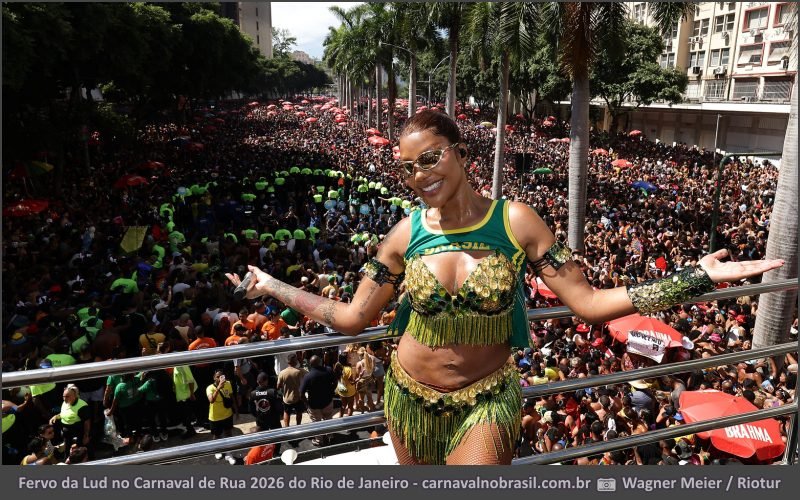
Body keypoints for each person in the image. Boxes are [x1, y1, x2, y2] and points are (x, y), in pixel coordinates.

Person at [228, 110, 782, 465]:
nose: (420, 176)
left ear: (460, 153)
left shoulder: (516, 221)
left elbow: (589, 305)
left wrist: (694, 278)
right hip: (407, 399)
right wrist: (272, 284)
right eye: (407, 169)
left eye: (431, 159)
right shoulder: (402, 235)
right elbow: (352, 319)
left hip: (487, 400)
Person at [299, 355, 336, 446]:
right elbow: (335, 382)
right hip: (327, 402)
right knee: (329, 420)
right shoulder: (328, 370)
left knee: (317, 424)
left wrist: (307, 404)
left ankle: (319, 441)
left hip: (314, 405)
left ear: (310, 364)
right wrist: (331, 392)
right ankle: (330, 436)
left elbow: (301, 394)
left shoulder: (308, 376)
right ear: (320, 362)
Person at [207, 369, 237, 464]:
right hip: (215, 416)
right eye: (217, 377)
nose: (219, 379)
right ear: (214, 378)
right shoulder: (210, 388)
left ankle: (229, 453)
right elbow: (211, 400)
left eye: (221, 376)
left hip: (227, 414)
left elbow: (232, 397)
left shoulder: (228, 383)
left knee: (228, 433)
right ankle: (217, 450)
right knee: (217, 435)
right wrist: (219, 387)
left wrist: (236, 410)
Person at [276, 353, 307, 427]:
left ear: (288, 361)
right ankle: (298, 426)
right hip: (298, 397)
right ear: (295, 361)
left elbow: (278, 386)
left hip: (287, 398)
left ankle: (287, 427)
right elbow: (308, 376)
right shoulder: (300, 371)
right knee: (299, 412)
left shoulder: (282, 373)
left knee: (286, 412)